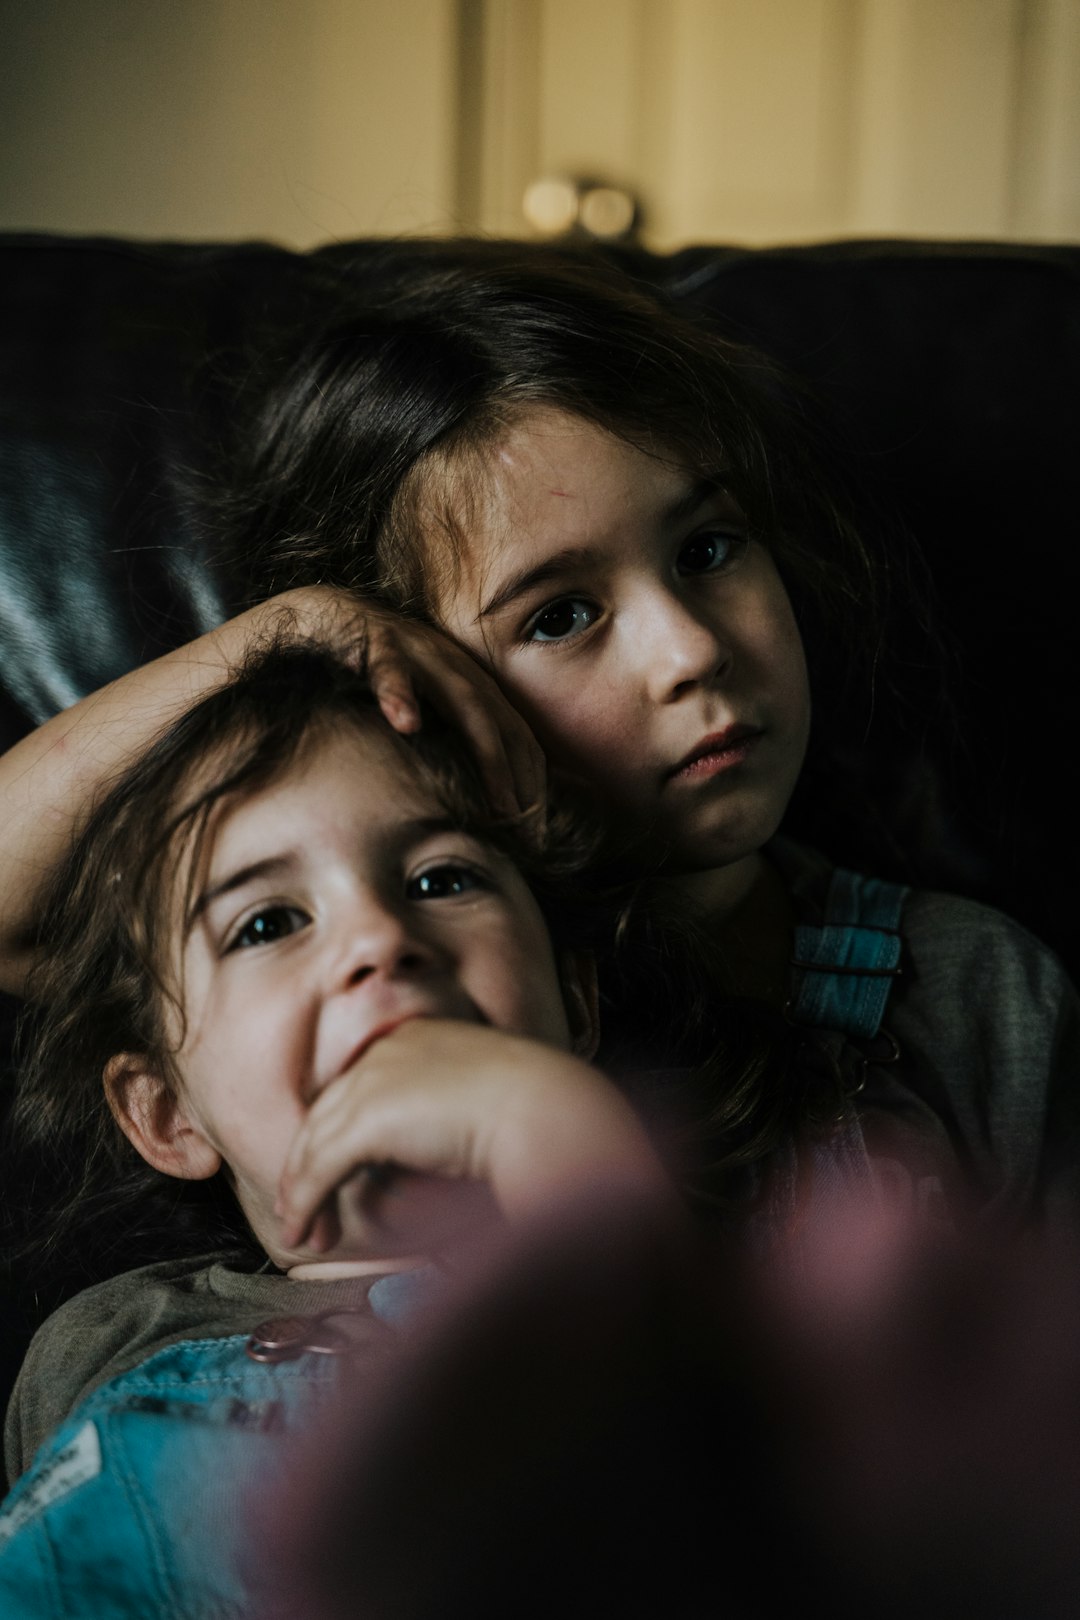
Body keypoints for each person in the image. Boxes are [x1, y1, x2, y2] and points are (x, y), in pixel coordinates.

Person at [0, 241, 1076, 1230]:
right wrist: (300, 633)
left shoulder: (979, 994)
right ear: (418, 676)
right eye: (560, 616)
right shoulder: (401, 983)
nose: (689, 651)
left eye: (706, 550)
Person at [0, 641, 676, 1617]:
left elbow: (699, 1507)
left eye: (442, 880)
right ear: (168, 1113)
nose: (378, 940)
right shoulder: (103, 1340)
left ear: (575, 1005)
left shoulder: (660, 1267)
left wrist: (558, 1134)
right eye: (268, 924)